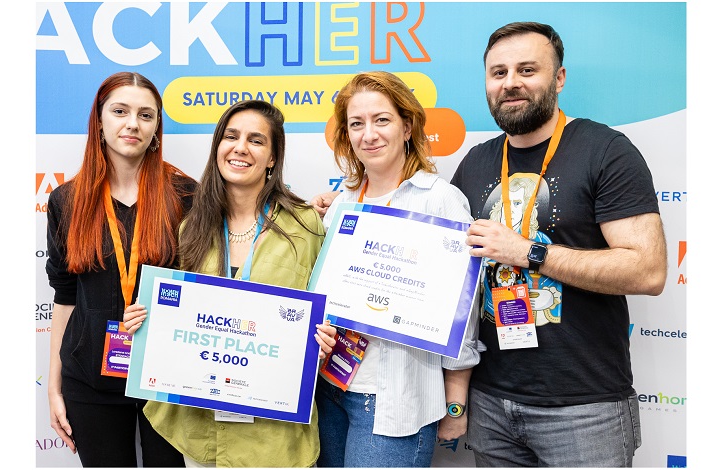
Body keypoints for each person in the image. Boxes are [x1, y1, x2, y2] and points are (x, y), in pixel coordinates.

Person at [450, 22, 668, 467]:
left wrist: (530, 252)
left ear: (559, 78)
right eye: (498, 73)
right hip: (490, 402)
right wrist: (350, 205)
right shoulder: (476, 161)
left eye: (527, 70)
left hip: (585, 409)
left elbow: (648, 271)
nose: (511, 83)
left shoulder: (605, 150)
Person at [122, 99, 336, 467]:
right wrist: (145, 324)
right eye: (231, 136)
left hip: (274, 436)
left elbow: (328, 309)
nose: (240, 148)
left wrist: (326, 337)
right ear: (218, 146)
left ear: (272, 157)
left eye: (256, 140)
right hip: (201, 431)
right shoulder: (192, 228)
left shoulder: (305, 225)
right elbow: (178, 318)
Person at [314, 71, 482, 468]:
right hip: (330, 388)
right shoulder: (342, 204)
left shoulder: (440, 200)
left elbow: (462, 315)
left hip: (394, 399)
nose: (368, 134)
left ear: (407, 127)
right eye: (356, 124)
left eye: (382, 120)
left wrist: (456, 401)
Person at [46, 71, 197, 467]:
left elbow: (205, 286)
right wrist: (53, 387)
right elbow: (65, 297)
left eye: (146, 115)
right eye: (120, 111)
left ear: (156, 128)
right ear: (99, 120)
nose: (133, 123)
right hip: (89, 381)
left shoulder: (186, 196)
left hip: (168, 380)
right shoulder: (67, 201)